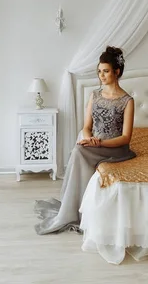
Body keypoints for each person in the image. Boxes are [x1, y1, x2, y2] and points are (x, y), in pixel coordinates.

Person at [35, 46, 136, 235]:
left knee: (79, 151)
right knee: (79, 149)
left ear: (117, 71)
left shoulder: (127, 101)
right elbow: (86, 127)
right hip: (95, 144)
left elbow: (125, 137)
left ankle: (73, 211)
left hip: (116, 149)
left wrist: (100, 143)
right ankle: (74, 208)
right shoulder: (95, 96)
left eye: (106, 71)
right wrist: (89, 139)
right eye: (99, 71)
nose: (101, 76)